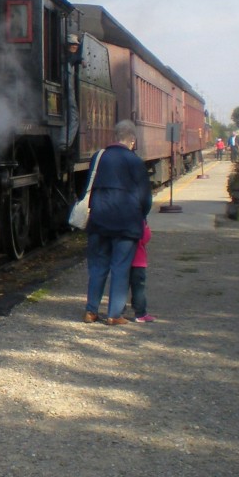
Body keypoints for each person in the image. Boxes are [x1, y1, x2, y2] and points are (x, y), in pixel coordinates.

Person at [83, 120, 152, 326]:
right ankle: (114, 314)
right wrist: (141, 216)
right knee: (120, 268)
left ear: (115, 136)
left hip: (99, 220)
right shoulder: (135, 161)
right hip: (126, 223)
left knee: (97, 267)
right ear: (131, 139)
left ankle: (91, 311)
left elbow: (88, 187)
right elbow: (145, 198)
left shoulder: (98, 157)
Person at [128, 221, 155, 323]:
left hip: (123, 261)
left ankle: (118, 311)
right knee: (138, 289)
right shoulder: (139, 220)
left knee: (121, 287)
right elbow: (146, 237)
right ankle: (140, 313)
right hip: (138, 261)